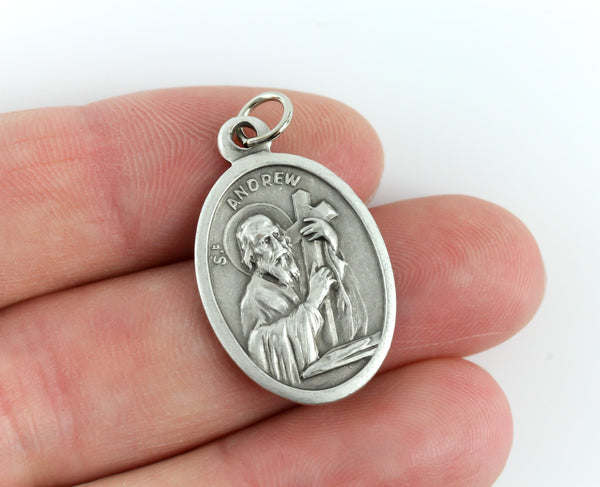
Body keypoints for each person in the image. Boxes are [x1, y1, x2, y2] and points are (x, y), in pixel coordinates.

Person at [0, 87, 545, 486]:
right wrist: (309, 305)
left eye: (277, 238)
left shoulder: (306, 256)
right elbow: (264, 345)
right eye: (263, 245)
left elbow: (351, 304)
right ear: (250, 257)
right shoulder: (253, 298)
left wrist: (333, 253)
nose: (277, 247)